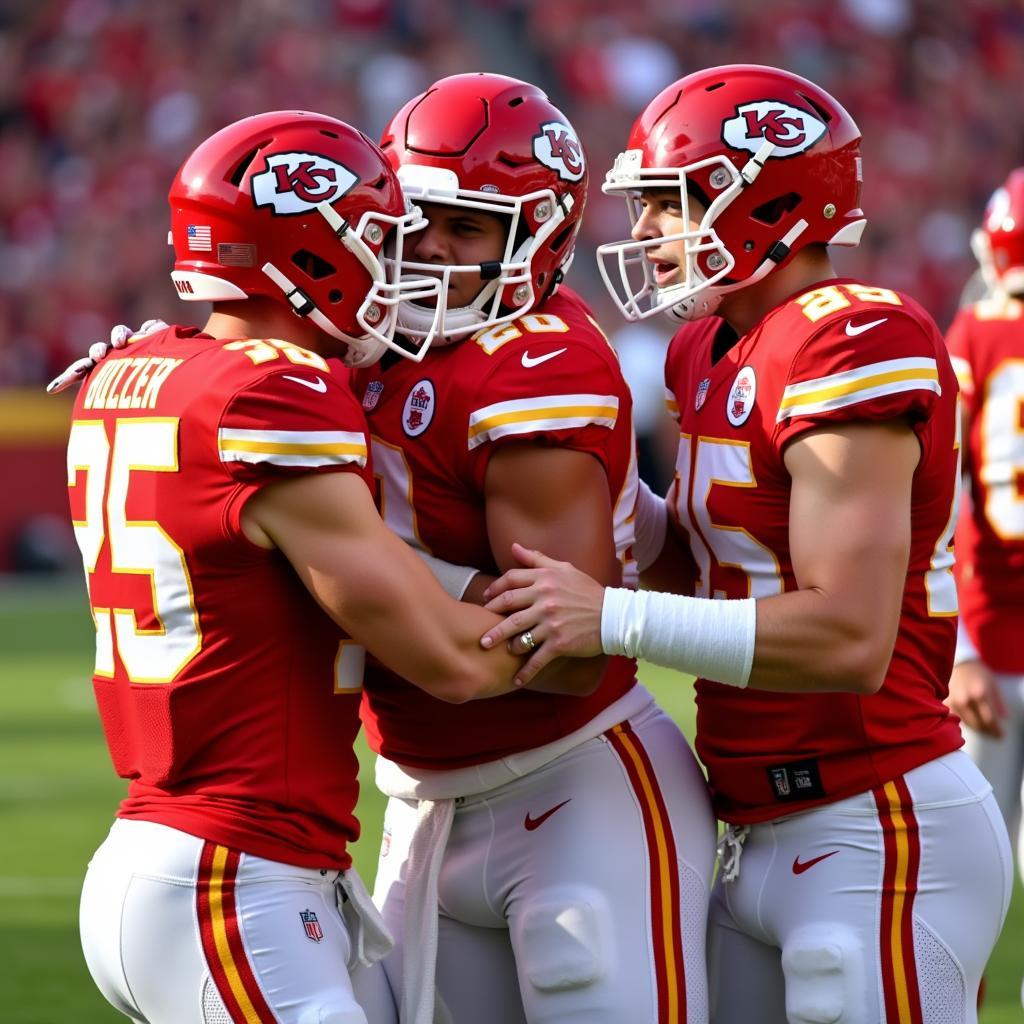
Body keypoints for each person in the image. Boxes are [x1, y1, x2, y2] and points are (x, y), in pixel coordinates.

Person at [479, 65, 1013, 1023]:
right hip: (757, 820)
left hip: (875, 812)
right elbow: (708, 556)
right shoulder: (707, 346)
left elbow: (849, 638)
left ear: (764, 201)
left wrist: (608, 618)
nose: (643, 232)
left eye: (669, 202)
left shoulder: (853, 340)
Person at [64, 110, 533, 1024]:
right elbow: (456, 663)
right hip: (232, 877)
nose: (394, 268)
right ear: (308, 254)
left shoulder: (134, 369)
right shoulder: (275, 391)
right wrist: (607, 614)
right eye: (375, 241)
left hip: (188, 860)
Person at [356, 73, 716, 1024]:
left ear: (535, 239)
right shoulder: (359, 336)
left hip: (568, 783)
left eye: (464, 227)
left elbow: (555, 657)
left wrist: (352, 567)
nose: (428, 247)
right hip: (420, 796)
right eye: (414, 216)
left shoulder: (533, 366)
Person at [945, 169, 1024, 885]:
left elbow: (943, 497)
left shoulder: (975, 334)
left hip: (988, 632)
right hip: (991, 640)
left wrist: (958, 646)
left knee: (967, 872)